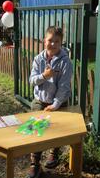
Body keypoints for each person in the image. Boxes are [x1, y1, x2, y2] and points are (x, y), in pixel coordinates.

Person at [28, 26, 73, 178]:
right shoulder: (38, 59)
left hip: (58, 102)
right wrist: (44, 76)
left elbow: (64, 87)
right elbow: (32, 80)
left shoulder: (65, 61)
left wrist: (55, 104)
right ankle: (35, 163)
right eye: (50, 40)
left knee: (56, 130)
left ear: (61, 43)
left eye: (57, 41)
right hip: (39, 100)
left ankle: (54, 153)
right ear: (43, 41)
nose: (52, 44)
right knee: (36, 131)